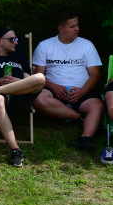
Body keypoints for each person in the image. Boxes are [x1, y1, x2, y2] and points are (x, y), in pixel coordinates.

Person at [32, 10, 103, 151]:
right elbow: (38, 76)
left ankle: (86, 138)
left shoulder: (86, 45)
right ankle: (79, 117)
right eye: (72, 27)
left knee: (97, 105)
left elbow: (95, 74)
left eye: (77, 25)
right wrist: (55, 87)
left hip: (81, 91)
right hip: (53, 91)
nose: (77, 29)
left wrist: (83, 91)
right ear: (61, 29)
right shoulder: (45, 46)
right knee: (39, 100)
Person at [0, 26, 45, 167]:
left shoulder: (20, 59)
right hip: (1, 97)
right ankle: (16, 150)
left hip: (21, 95)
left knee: (39, 78)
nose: (16, 42)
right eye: (12, 39)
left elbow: (29, 80)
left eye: (16, 39)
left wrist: (18, 82)